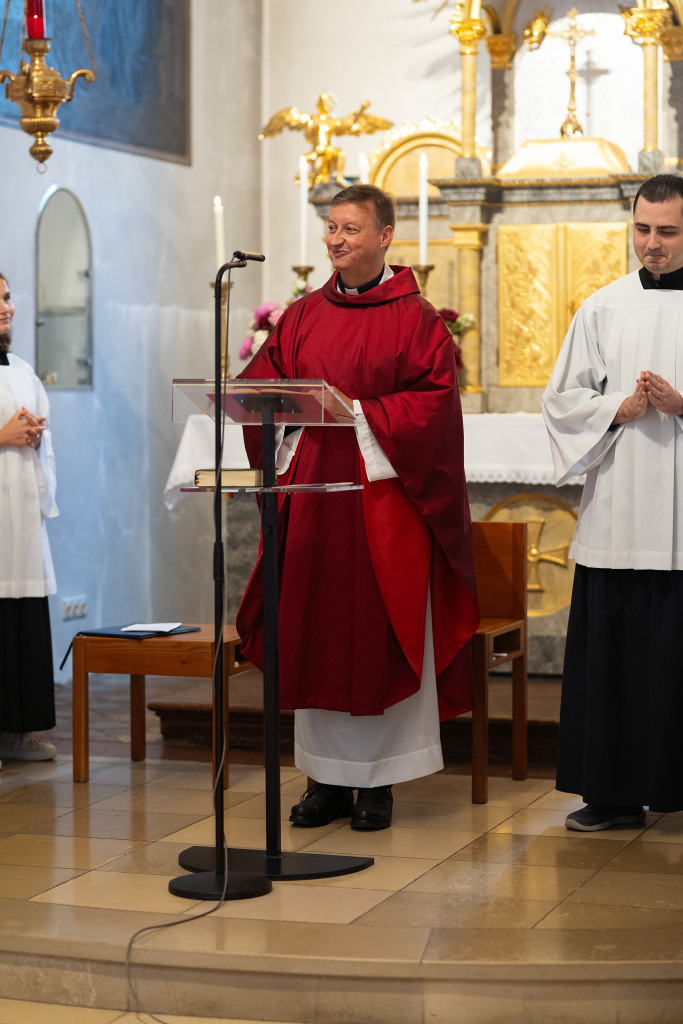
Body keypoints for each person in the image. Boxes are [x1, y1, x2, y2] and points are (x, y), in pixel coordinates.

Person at [236, 184, 479, 831]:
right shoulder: (301, 316)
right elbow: (262, 387)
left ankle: (379, 785)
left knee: (377, 634)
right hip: (313, 497)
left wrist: (361, 414)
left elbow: (434, 407)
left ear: (384, 236)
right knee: (314, 628)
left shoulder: (416, 318)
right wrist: (271, 405)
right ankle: (324, 780)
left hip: (384, 502)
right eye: (331, 228)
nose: (335, 240)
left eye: (349, 229)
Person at [542, 173, 683, 831]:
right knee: (616, 656)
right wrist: (617, 409)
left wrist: (681, 405)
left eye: (667, 232)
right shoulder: (602, 307)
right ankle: (612, 794)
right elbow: (561, 401)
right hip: (621, 511)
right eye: (642, 229)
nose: (651, 243)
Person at [0, 272, 58, 766]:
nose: (6, 308)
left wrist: (37, 435)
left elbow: (40, 432)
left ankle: (18, 732)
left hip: (20, 513)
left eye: (6, 297)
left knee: (22, 620)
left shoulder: (22, 369)